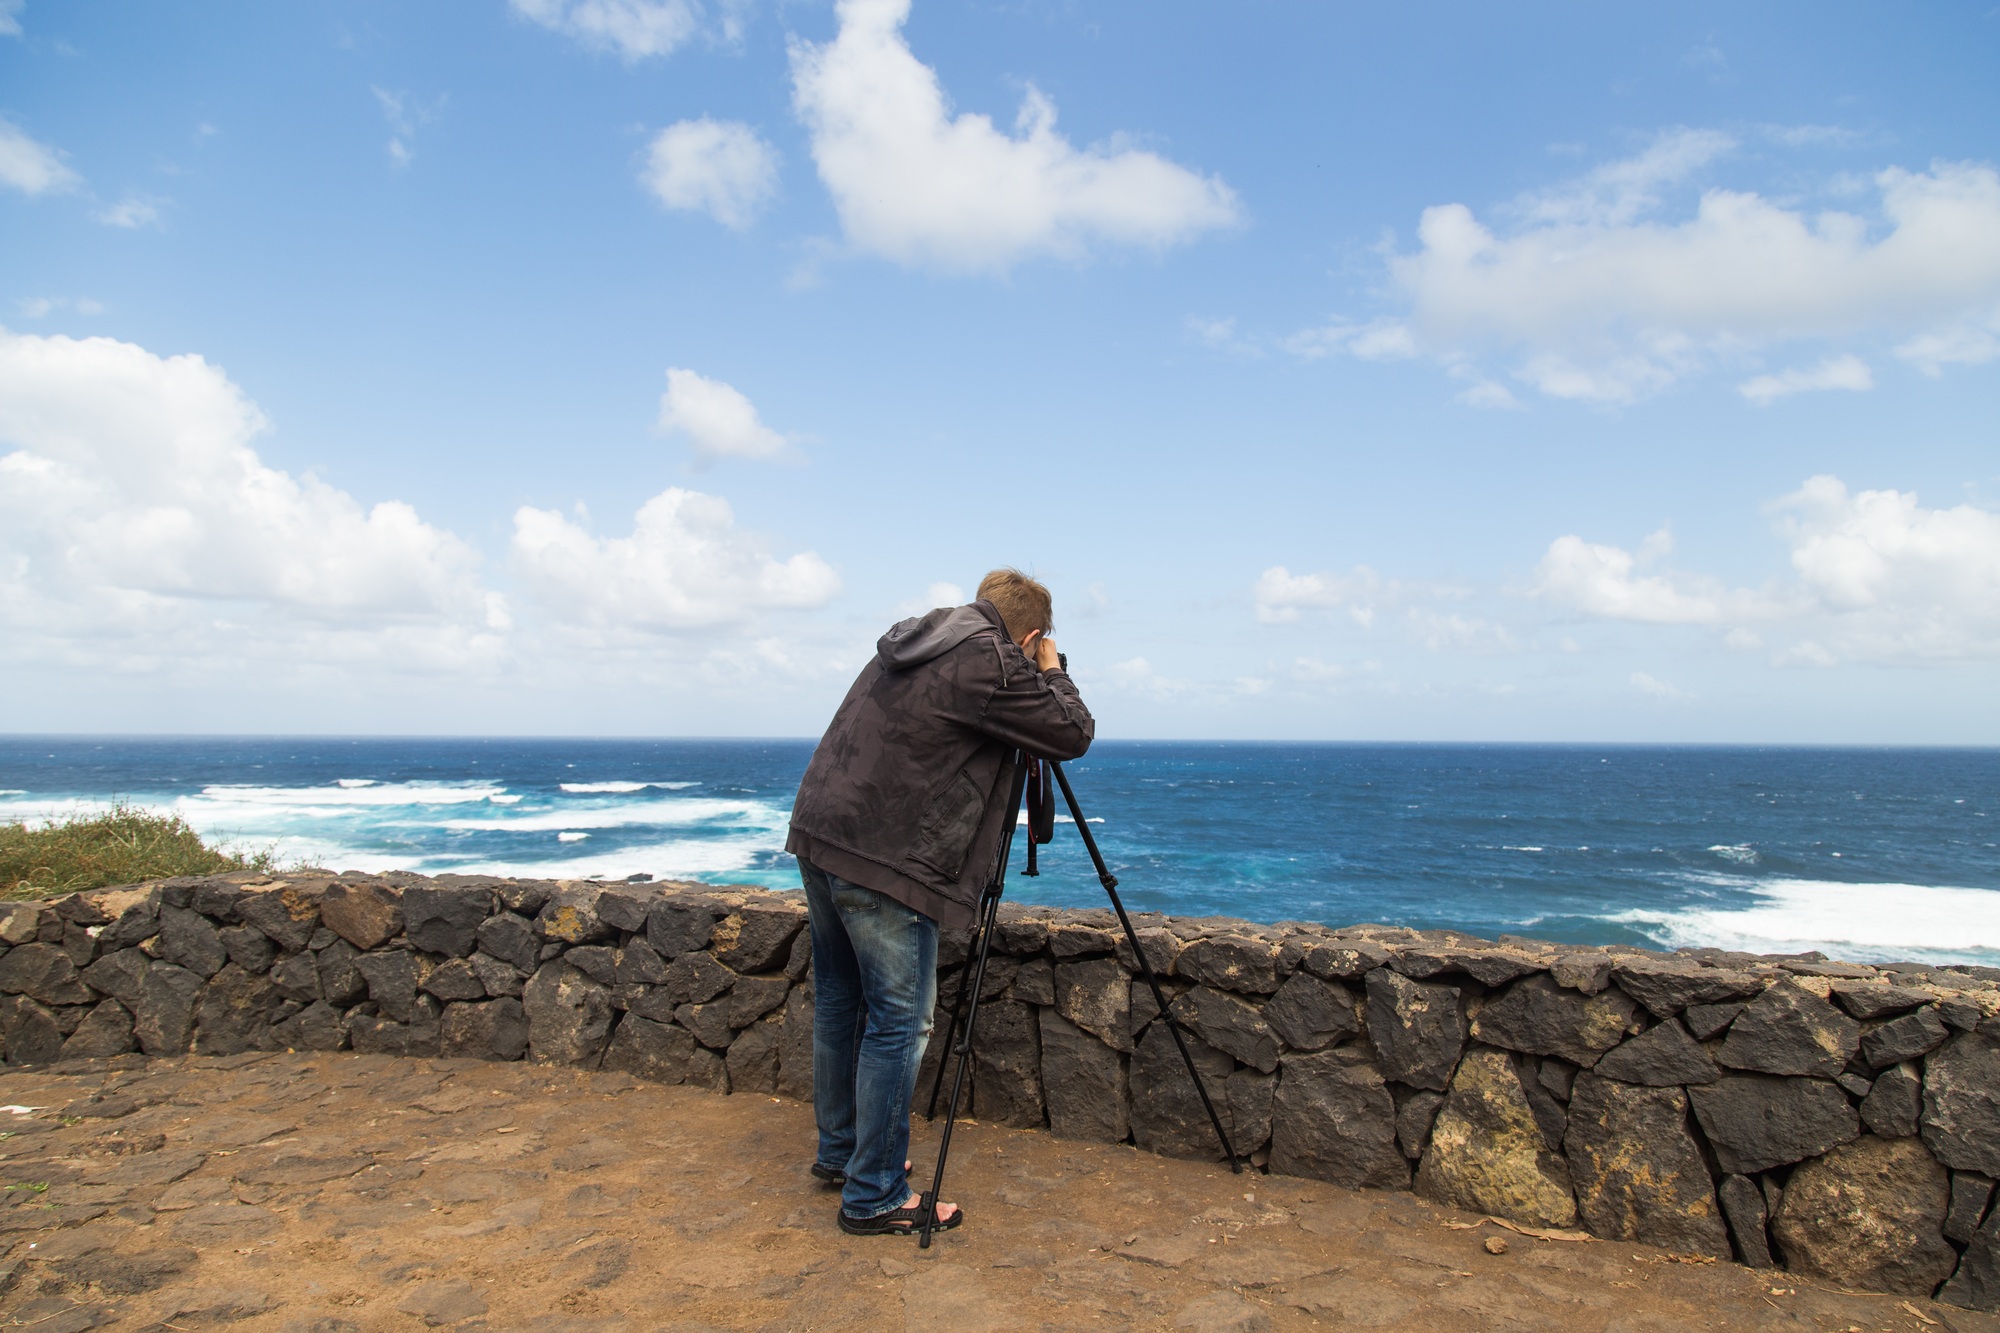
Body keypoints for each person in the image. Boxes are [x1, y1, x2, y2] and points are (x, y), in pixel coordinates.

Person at [786, 569, 1095, 1236]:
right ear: (1033, 634)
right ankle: (873, 1192)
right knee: (901, 1021)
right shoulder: (991, 658)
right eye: (1040, 644)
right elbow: (1070, 733)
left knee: (842, 1002)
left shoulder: (919, 637)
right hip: (886, 856)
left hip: (821, 831)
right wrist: (1050, 670)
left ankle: (841, 1154)